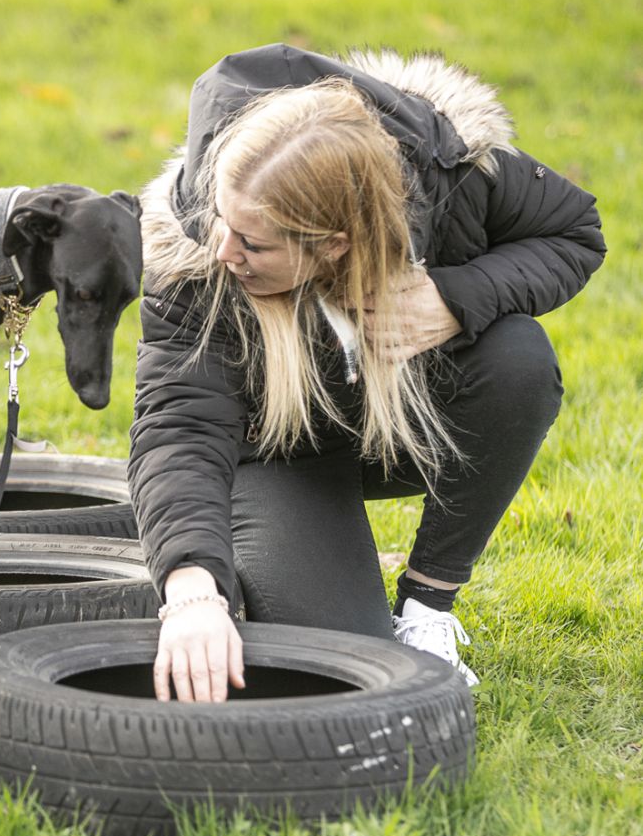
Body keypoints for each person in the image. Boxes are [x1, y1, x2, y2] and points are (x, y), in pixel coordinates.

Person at [128, 44, 605, 702]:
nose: (222, 249)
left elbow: (574, 232)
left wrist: (453, 298)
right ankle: (282, 541)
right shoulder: (192, 255)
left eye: (253, 243)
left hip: (398, 425)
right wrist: (190, 590)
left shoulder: (452, 174)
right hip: (274, 456)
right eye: (221, 220)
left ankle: (428, 604)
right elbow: (180, 427)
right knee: (349, 667)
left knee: (517, 357)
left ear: (335, 245)